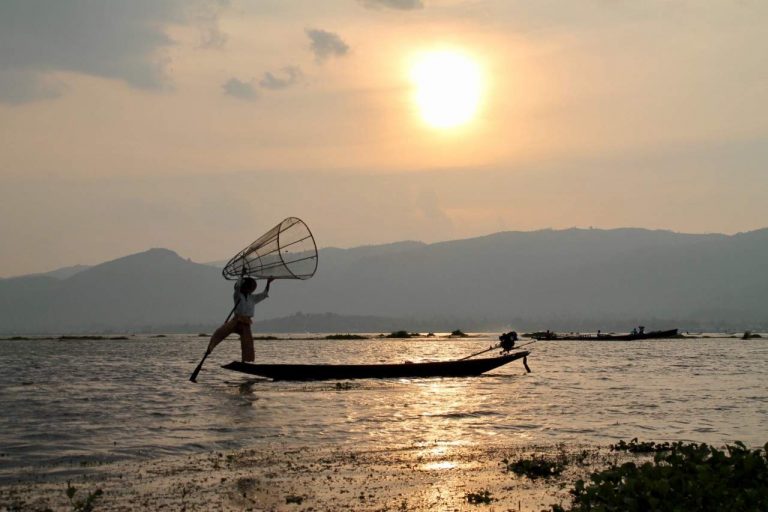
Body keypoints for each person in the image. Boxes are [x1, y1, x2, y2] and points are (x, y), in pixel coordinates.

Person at [208, 276, 274, 362]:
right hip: (236, 320)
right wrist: (242, 275)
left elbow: (264, 294)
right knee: (221, 332)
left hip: (246, 323)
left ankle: (247, 361)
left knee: (248, 344)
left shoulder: (252, 298)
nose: (249, 289)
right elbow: (238, 287)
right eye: (247, 287)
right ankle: (210, 348)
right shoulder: (238, 295)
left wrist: (268, 283)